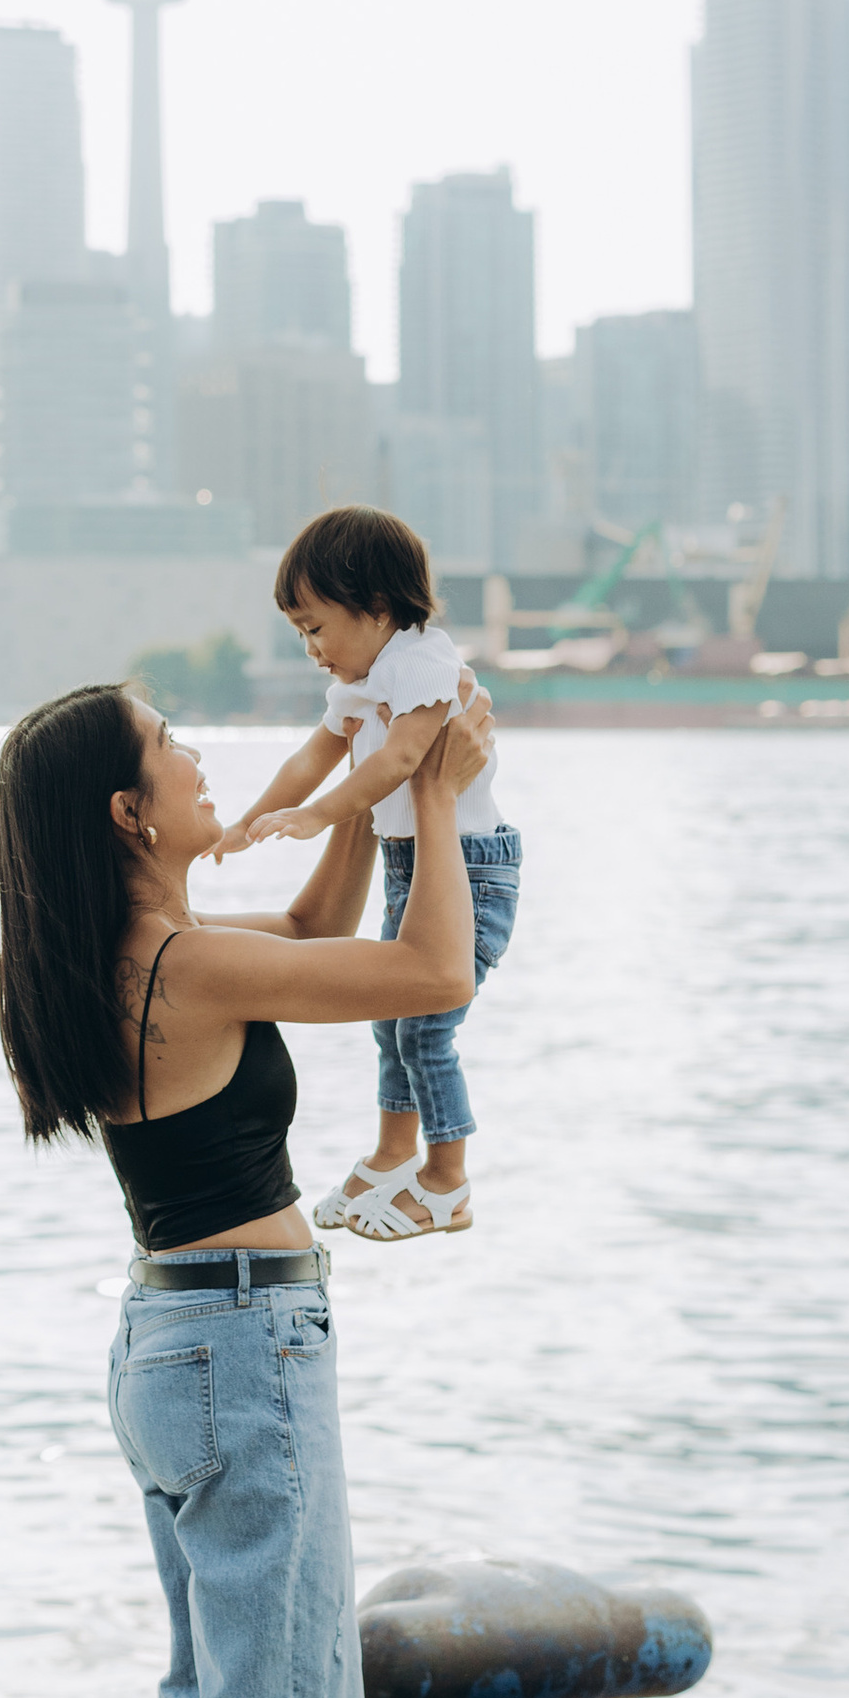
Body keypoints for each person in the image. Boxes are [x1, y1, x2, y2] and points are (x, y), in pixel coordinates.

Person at [0, 670, 490, 1698]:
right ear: (131, 812)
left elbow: (325, 925)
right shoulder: (185, 970)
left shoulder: (139, 957)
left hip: (179, 1338)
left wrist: (349, 765)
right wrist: (437, 795)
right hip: (244, 1343)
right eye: (174, 750)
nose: (205, 755)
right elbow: (425, 971)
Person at [218, 506, 522, 1241]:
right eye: (300, 633)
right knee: (391, 1019)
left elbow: (399, 761)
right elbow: (312, 756)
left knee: (426, 1030)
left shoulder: (420, 663)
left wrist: (319, 817)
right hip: (410, 864)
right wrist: (247, 822)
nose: (311, 648)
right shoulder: (370, 673)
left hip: (470, 870)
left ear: (378, 608)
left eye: (316, 627)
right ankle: (392, 1158)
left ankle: (447, 1181)